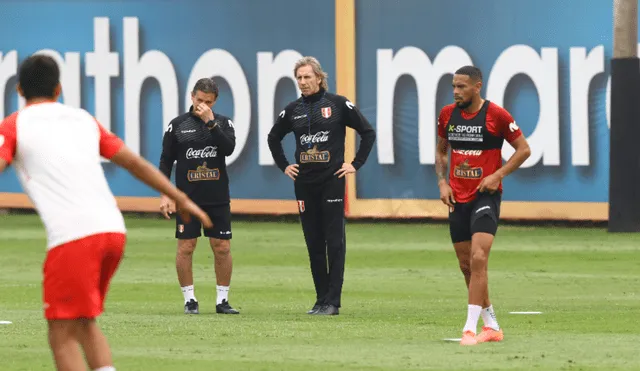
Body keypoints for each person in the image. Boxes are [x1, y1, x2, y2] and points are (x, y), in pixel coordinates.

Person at [0, 54, 212, 371]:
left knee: (61, 335)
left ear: (18, 90)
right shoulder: (84, 119)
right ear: (58, 89)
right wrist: (180, 196)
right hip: (113, 232)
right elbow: (133, 162)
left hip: (73, 238)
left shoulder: (14, 124)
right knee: (85, 322)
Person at [267, 56, 376, 315]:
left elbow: (367, 132)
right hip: (304, 183)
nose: (303, 82)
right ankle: (320, 299)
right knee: (313, 241)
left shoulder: (337, 105)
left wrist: (355, 163)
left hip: (331, 181)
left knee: (334, 241)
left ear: (319, 77)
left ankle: (333, 302)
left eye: (307, 77)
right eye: (299, 78)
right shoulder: (293, 110)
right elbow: (273, 137)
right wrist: (284, 165)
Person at [435, 65, 531, 345]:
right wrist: (442, 182)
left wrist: (498, 174)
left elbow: (524, 149)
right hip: (457, 197)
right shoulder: (446, 115)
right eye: (454, 86)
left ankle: (468, 329)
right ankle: (492, 326)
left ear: (477, 86)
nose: (456, 91)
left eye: (462, 86)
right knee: (467, 265)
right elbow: (442, 151)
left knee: (479, 258)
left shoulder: (496, 115)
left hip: (485, 196)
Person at [158, 77, 239, 315]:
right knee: (186, 246)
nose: (203, 105)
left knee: (221, 246)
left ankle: (222, 301)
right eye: (199, 100)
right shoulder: (178, 126)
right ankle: (189, 300)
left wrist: (211, 123)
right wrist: (165, 194)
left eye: (208, 102)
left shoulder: (223, 123)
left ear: (215, 102)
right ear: (192, 96)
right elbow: (165, 161)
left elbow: (229, 149)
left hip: (217, 196)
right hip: (186, 199)